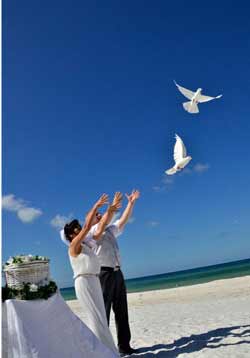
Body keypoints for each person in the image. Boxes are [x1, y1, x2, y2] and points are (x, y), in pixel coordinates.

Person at [61, 193, 122, 355]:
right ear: (71, 236)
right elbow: (88, 226)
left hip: (94, 281)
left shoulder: (86, 244)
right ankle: (102, 353)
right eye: (77, 230)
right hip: (84, 282)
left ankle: (108, 351)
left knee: (101, 318)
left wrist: (109, 211)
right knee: (96, 319)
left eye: (79, 229)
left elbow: (100, 226)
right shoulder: (74, 245)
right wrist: (96, 205)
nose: (80, 230)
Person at [87, 189, 140, 356]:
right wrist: (112, 208)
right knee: (105, 312)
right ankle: (104, 348)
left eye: (101, 214)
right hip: (104, 274)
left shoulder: (109, 230)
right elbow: (101, 224)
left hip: (117, 273)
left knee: (122, 311)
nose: (101, 215)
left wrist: (131, 203)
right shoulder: (92, 232)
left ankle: (124, 346)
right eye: (98, 214)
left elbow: (123, 221)